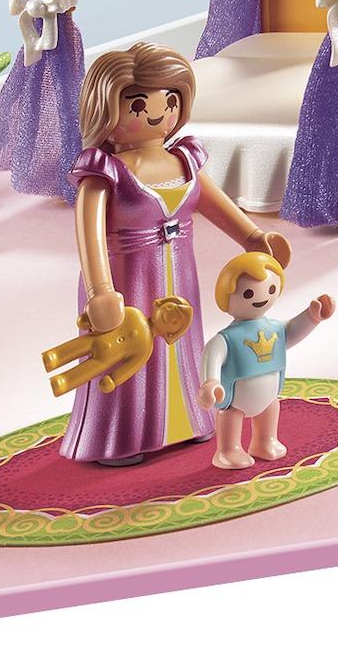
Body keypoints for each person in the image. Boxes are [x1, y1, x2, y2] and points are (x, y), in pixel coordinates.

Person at [63, 44, 290, 466]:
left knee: (183, 346)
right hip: (126, 280)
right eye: (138, 105)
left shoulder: (183, 161)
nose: (157, 114)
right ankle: (122, 438)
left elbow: (216, 204)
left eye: (169, 101)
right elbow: (88, 235)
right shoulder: (104, 171)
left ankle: (189, 420)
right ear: (106, 107)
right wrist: (99, 291)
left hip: (180, 276)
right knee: (128, 351)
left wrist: (254, 237)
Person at [199, 253, 335, 470]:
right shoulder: (226, 338)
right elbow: (212, 355)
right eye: (248, 293)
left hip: (269, 394)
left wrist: (312, 316)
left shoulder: (276, 329)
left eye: (271, 289)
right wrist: (211, 382)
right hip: (235, 398)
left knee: (270, 408)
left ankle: (264, 442)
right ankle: (228, 450)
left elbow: (293, 331)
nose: (261, 296)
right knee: (231, 415)